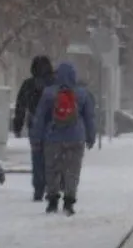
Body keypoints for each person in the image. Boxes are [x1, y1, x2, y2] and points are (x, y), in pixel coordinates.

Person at [32, 61, 96, 216]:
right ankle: (69, 201)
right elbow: (89, 118)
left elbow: (40, 118)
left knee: (52, 170)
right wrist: (90, 136)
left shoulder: (48, 93)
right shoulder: (82, 94)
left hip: (53, 138)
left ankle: (52, 201)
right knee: (72, 171)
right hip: (76, 138)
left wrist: (36, 139)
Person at [12, 55, 54, 202]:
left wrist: (17, 125)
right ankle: (52, 187)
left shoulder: (28, 84)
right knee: (52, 158)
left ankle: (38, 188)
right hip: (53, 127)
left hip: (35, 126)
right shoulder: (55, 84)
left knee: (37, 158)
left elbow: (20, 106)